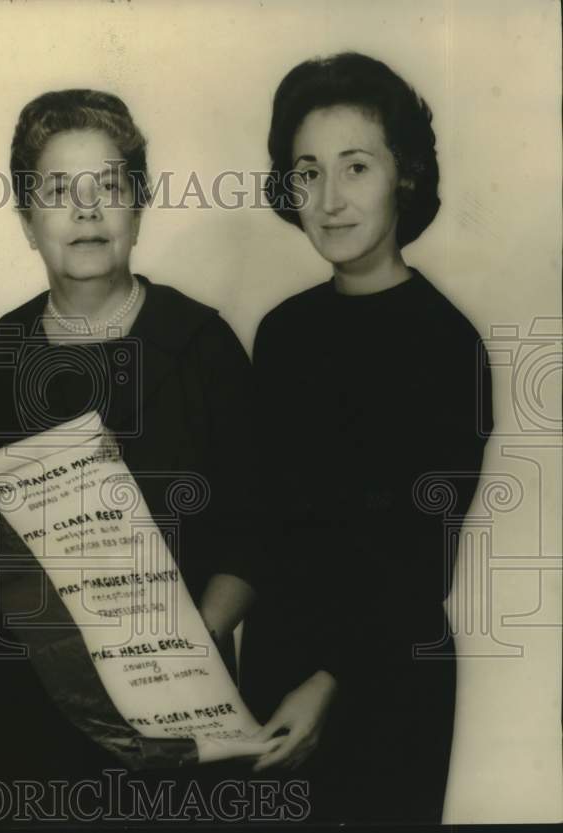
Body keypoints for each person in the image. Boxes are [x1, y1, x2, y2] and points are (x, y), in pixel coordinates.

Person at [0, 89, 263, 826]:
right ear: (27, 220)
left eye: (109, 187)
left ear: (139, 207)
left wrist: (182, 652)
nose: (86, 211)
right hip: (26, 721)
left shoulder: (203, 347)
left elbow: (256, 528)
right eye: (57, 191)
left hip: (176, 714)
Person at [242, 52, 493, 824]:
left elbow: (417, 561)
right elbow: (264, 519)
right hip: (277, 670)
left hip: (387, 682)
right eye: (307, 171)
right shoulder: (282, 333)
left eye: (356, 166)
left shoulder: (449, 346)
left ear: (406, 175)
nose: (329, 198)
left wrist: (326, 682)